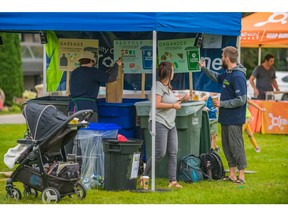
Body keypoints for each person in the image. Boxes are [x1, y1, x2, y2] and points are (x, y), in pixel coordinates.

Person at [198, 46, 247, 184]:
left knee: (236, 146)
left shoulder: (238, 76)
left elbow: (241, 100)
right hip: (225, 117)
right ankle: (232, 174)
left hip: (234, 118)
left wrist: (222, 104)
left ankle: (241, 175)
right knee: (226, 146)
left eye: (222, 56)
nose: (221, 58)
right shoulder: (228, 73)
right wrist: (204, 68)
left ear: (228, 57)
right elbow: (216, 77)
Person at [140, 61, 189, 189]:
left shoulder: (168, 87)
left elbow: (171, 103)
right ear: (168, 72)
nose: (174, 73)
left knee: (173, 152)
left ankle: (172, 181)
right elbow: (156, 104)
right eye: (172, 70)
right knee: (159, 153)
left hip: (170, 123)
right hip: (159, 122)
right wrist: (173, 105)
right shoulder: (158, 86)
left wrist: (182, 100)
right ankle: (144, 176)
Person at [68, 51, 122, 122]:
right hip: (88, 109)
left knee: (73, 130)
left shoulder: (74, 72)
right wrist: (117, 65)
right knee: (91, 131)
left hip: (73, 109)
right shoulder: (94, 72)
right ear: (91, 61)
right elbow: (111, 78)